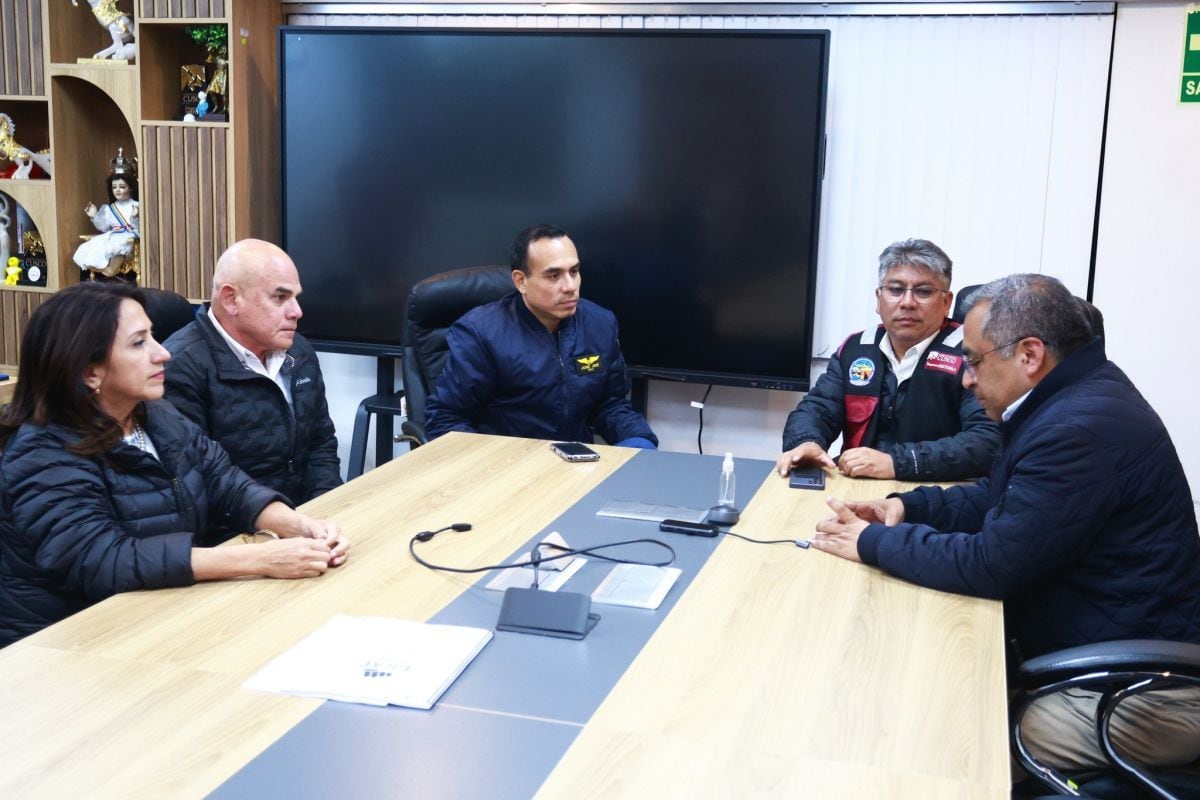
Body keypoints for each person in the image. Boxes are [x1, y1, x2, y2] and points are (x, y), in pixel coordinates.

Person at [810, 274, 1200, 772]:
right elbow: (998, 498)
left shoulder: (1075, 430)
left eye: (974, 361)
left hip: (1141, 695)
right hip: (1102, 653)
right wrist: (908, 508)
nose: (967, 379)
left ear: (1029, 355)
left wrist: (873, 543)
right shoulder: (1072, 398)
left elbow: (992, 564)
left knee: (952, 747)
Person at [0, 283, 349, 648]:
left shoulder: (153, 413)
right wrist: (258, 559)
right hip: (69, 646)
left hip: (156, 616)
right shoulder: (42, 451)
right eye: (139, 343)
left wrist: (299, 525)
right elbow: (103, 559)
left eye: (153, 337)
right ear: (91, 372)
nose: (163, 353)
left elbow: (223, 481)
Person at [777, 239, 999, 482]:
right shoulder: (857, 349)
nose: (907, 302)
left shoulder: (971, 354)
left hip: (937, 495)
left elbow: (987, 440)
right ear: (878, 298)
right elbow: (817, 408)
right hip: (854, 489)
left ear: (946, 302)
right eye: (895, 290)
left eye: (923, 292)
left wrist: (897, 462)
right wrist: (807, 441)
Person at [426, 224, 657, 447]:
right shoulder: (480, 332)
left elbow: (609, 405)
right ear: (521, 281)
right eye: (553, 276)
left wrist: (639, 439)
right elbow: (446, 420)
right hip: (503, 467)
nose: (570, 286)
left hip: (572, 464)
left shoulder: (599, 323)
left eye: (574, 272)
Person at [164, 239, 342, 506]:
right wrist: (282, 523)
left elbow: (321, 442)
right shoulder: (179, 367)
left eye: (296, 297)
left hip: (306, 520)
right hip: (236, 535)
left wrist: (324, 508)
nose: (297, 312)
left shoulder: (299, 351)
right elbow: (199, 480)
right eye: (280, 298)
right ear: (231, 299)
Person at [72, 169, 139, 277]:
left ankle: (112, 268)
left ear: (130, 187)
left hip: (130, 236)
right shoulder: (110, 209)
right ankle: (102, 268)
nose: (117, 190)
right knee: (89, 248)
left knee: (120, 245)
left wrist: (135, 217)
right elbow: (103, 227)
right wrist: (94, 215)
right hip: (113, 235)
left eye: (122, 187)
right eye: (114, 187)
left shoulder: (137, 205)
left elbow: (142, 226)